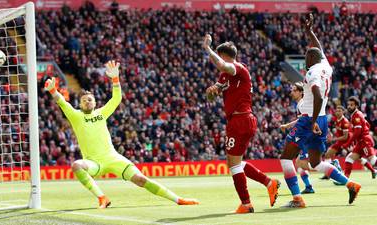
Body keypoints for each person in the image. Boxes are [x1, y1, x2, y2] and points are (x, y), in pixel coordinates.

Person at [44, 60, 199, 208]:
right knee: (77, 165)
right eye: (84, 100)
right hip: (94, 163)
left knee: (141, 179)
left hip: (113, 158)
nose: (87, 102)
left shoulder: (101, 113)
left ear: (95, 102)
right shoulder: (76, 116)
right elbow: (62, 102)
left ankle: (178, 199)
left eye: (90, 99)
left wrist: (116, 79)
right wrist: (53, 90)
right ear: (79, 104)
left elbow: (116, 98)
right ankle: (102, 198)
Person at [279, 14, 361, 208]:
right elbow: (319, 49)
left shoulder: (312, 72)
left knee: (285, 158)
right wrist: (310, 32)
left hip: (310, 119)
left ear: (310, 58)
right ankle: (351, 184)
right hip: (322, 118)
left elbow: (317, 96)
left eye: (307, 55)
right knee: (315, 163)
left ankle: (298, 199)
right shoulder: (326, 66)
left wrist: (313, 120)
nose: (305, 57)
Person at [202, 34, 280, 214]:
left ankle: (246, 204)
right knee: (234, 162)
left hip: (240, 119)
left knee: (234, 165)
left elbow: (223, 65)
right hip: (241, 120)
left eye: (219, 56)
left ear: (223, 55)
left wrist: (207, 48)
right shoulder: (225, 77)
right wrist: (211, 92)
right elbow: (212, 96)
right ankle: (269, 183)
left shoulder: (238, 68)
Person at [280, 82, 315, 194]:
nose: (292, 92)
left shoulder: (301, 104)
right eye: (292, 90)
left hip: (304, 138)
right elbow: (300, 120)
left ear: (301, 92)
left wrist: (288, 126)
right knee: (298, 164)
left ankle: (330, 166)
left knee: (303, 164)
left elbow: (305, 121)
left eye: (295, 90)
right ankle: (308, 186)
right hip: (303, 137)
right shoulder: (300, 104)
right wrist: (288, 125)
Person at [343, 96, 377, 179]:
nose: (349, 106)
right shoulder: (356, 114)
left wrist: (348, 143)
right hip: (361, 142)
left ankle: (373, 170)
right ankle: (345, 179)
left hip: (364, 141)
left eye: (351, 105)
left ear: (356, 106)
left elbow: (357, 132)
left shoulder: (357, 115)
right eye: (348, 105)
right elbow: (367, 125)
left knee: (373, 161)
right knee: (349, 158)